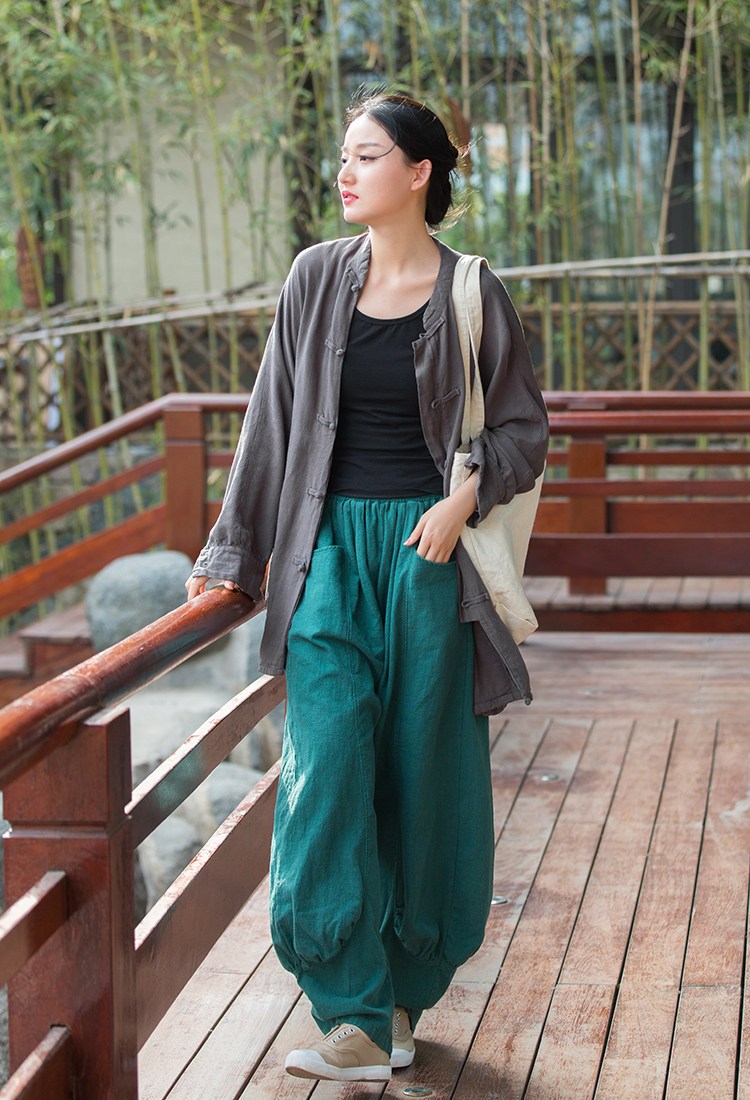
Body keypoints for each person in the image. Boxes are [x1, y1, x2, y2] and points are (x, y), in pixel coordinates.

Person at [186, 91, 548, 1083]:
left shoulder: (472, 290)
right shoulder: (315, 278)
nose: (346, 173)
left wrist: (463, 496)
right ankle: (347, 1006)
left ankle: (397, 1002)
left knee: (426, 778)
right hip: (326, 556)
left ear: (419, 172)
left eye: (367, 155)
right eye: (343, 156)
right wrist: (232, 554)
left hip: (429, 562)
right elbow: (270, 419)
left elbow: (523, 431)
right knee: (326, 767)